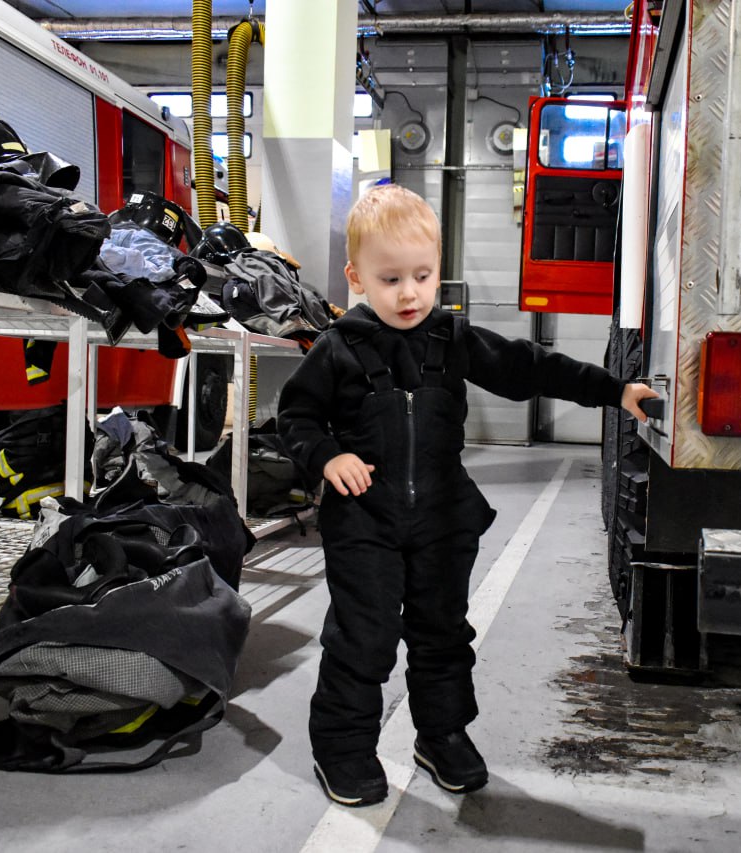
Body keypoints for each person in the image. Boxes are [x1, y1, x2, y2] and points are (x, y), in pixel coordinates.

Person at [277, 183, 658, 807]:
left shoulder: (452, 340)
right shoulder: (337, 349)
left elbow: (532, 367)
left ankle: (443, 736)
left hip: (443, 519)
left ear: (438, 273)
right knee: (362, 638)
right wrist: (328, 455)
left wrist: (615, 390)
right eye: (391, 278)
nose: (409, 294)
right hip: (364, 523)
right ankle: (343, 751)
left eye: (422, 276)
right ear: (356, 277)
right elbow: (295, 419)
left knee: (443, 635)